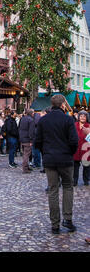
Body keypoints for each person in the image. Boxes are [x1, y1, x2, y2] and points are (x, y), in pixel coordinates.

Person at [35, 94, 79, 234]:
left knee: (53, 190)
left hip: (50, 159)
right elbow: (74, 141)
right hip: (65, 159)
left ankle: (55, 224)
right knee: (67, 187)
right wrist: (70, 153)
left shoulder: (43, 120)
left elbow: (38, 141)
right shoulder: (68, 120)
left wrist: (45, 152)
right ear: (62, 105)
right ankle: (68, 219)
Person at [73, 110, 90, 187]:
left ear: (87, 118)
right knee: (75, 166)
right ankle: (74, 180)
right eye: (81, 116)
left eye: (84, 116)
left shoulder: (89, 126)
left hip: (86, 149)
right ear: (78, 117)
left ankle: (86, 180)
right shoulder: (74, 125)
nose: (82, 117)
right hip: (76, 148)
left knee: (86, 166)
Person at [18, 108, 35, 174]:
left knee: (25, 154)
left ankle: (26, 167)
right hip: (27, 139)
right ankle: (25, 168)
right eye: (33, 113)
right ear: (31, 113)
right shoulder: (31, 120)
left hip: (22, 138)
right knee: (26, 154)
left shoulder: (22, 119)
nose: (34, 114)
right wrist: (31, 140)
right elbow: (31, 131)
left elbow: (19, 128)